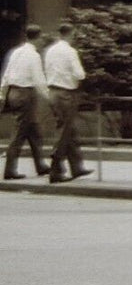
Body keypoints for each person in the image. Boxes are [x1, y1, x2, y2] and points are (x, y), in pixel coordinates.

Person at [42, 22, 90, 183]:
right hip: (66, 93)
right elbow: (79, 74)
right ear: (71, 34)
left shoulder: (50, 51)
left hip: (53, 92)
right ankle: (56, 169)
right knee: (64, 130)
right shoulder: (70, 51)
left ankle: (77, 166)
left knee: (70, 129)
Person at [1, 24, 50, 180]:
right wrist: (49, 97)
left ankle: (40, 165)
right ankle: (9, 170)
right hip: (25, 94)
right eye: (41, 38)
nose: (42, 41)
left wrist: (2, 94)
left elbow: (6, 75)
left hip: (13, 92)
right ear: (38, 37)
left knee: (33, 129)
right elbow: (38, 80)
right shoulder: (33, 55)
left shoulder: (16, 52)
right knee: (19, 132)